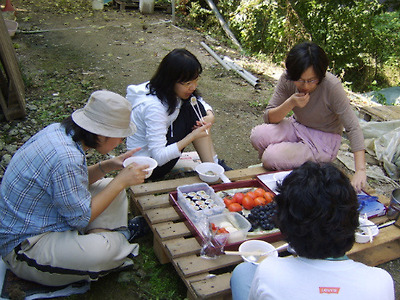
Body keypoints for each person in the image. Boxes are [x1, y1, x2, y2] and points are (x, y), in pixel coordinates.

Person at [0, 90, 150, 286]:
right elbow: (81, 217)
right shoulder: (66, 157)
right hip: (25, 245)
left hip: (48, 215)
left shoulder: (59, 131)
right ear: (102, 134)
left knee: (109, 187)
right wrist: (121, 180)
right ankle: (116, 240)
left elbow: (70, 181)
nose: (122, 141)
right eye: (120, 136)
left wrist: (109, 165)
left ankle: (108, 238)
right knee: (102, 253)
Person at [230, 161, 394, 300]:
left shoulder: (269, 272)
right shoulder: (380, 282)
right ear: (353, 220)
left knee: (243, 272)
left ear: (284, 225)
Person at [250, 42, 366, 192]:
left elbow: (353, 127)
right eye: (300, 80)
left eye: (311, 80)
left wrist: (360, 171)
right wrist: (290, 102)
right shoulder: (288, 79)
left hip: (323, 139)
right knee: (258, 136)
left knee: (270, 157)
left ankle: (295, 164)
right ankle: (286, 162)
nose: (305, 86)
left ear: (321, 75)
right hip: (297, 125)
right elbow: (269, 117)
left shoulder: (332, 87)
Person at [126, 48, 231, 179]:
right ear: (170, 81)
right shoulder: (154, 107)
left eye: (196, 81)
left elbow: (198, 101)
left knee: (195, 107)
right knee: (192, 111)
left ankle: (213, 165)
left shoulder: (164, 90)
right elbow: (159, 157)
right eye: (188, 83)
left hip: (157, 154)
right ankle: (211, 167)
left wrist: (210, 115)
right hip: (149, 167)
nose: (193, 87)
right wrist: (192, 136)